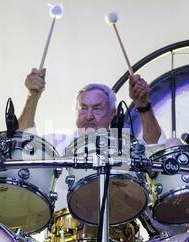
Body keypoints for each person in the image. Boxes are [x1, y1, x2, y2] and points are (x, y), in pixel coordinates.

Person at [18, 68, 166, 214]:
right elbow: (21, 140)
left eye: (97, 108)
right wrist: (33, 96)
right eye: (83, 108)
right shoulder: (57, 144)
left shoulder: (127, 147)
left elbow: (156, 147)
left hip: (119, 231)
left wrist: (143, 104)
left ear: (112, 113)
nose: (89, 116)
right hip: (65, 233)